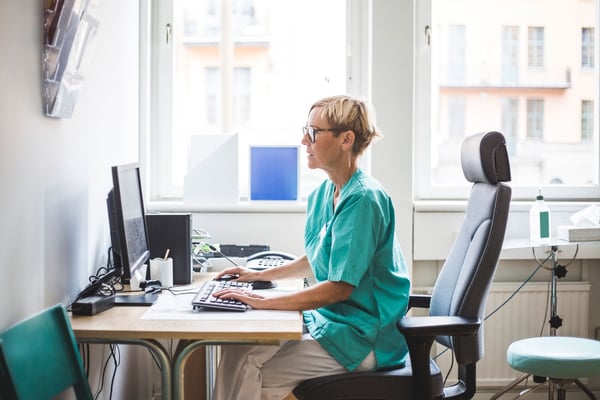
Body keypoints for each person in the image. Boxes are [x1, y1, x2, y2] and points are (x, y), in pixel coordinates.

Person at [211, 95, 411, 400]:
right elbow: (319, 255)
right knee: (240, 349)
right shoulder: (327, 192)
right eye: (306, 129)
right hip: (335, 322)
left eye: (314, 132)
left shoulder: (363, 199)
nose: (304, 139)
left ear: (346, 139)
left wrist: (263, 302)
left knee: (252, 368)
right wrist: (256, 275)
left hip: (364, 338)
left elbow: (339, 287)